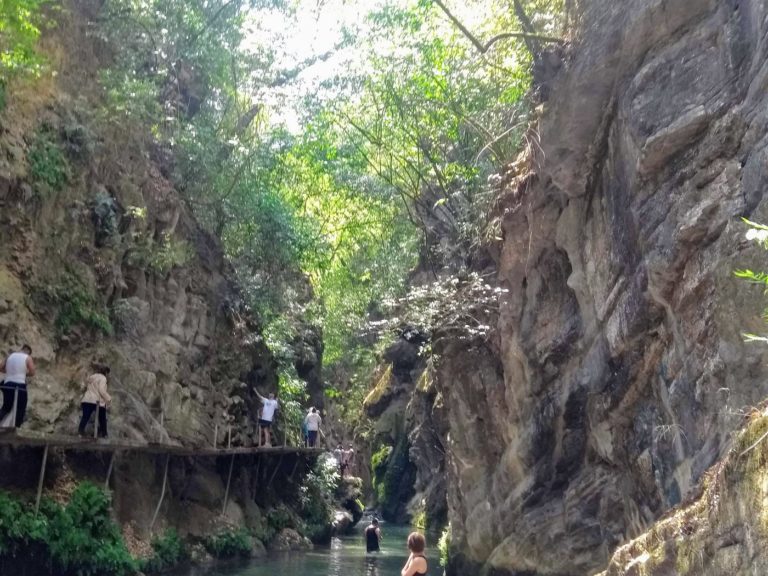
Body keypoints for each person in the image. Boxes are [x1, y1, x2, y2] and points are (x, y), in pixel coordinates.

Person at [0, 345, 36, 428]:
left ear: (21, 349)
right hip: (19, 385)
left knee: (6, 408)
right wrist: (24, 374)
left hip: (7, 384)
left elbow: (0, 367)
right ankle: (16, 428)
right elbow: (32, 372)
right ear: (28, 352)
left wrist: (9, 372)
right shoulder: (27, 358)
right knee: (20, 408)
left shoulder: (10, 356)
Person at [78, 366, 112, 438]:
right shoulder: (103, 378)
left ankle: (80, 432)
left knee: (85, 417)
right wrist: (108, 398)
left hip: (87, 399)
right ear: (105, 372)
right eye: (108, 373)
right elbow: (101, 390)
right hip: (97, 401)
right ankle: (104, 434)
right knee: (102, 418)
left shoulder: (92, 377)